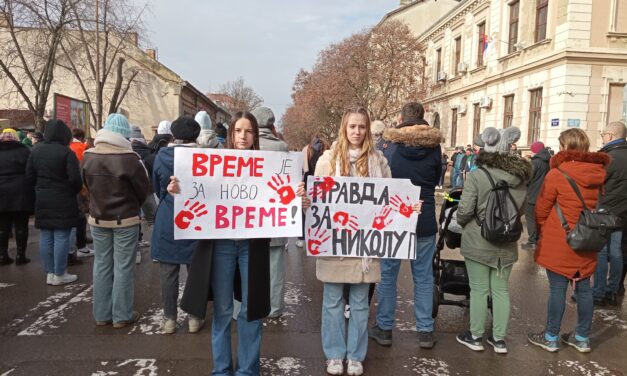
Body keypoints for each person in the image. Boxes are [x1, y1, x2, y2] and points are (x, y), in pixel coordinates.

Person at [308, 105, 417, 376]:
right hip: (335, 242)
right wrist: (306, 198)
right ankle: (334, 354)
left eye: (362, 126)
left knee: (359, 302)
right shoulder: (327, 160)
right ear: (344, 128)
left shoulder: (379, 162)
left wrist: (409, 208)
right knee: (332, 300)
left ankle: (355, 355)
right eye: (352, 126)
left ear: (368, 130)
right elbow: (317, 202)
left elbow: (390, 200)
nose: (357, 131)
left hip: (365, 245)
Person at [175, 112, 272, 376]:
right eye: (238, 131)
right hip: (222, 245)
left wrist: (297, 195)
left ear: (255, 135)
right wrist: (178, 188)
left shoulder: (268, 165)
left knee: (250, 311)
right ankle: (221, 370)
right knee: (222, 309)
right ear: (231, 134)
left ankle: (247, 370)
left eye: (248, 131)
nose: (243, 136)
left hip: (252, 245)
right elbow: (197, 190)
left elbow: (280, 201)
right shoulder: (215, 163)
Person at [528, 128, 609, 353]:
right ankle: (582, 337)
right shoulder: (598, 173)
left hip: (560, 239)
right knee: (584, 289)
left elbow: (542, 207)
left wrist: (544, 230)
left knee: (557, 289)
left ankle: (551, 337)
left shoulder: (557, 173)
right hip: (588, 238)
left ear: (566, 147)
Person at [370, 102, 442, 350]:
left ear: (401, 118)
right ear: (423, 119)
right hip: (424, 219)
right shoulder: (435, 147)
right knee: (423, 277)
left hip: (395, 220)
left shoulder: (389, 147)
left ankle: (385, 328)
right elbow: (435, 180)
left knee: (388, 275)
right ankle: (425, 331)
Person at [455, 127, 531, 354]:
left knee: (478, 290)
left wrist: (462, 221)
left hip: (478, 240)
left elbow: (464, 210)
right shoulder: (520, 179)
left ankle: (476, 336)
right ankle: (499, 340)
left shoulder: (478, 175)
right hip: (506, 243)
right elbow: (522, 211)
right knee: (501, 290)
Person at [82, 114, 150, 328]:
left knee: (101, 265)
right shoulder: (130, 159)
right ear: (124, 134)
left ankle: (101, 314)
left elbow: (84, 187)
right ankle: (122, 315)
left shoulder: (88, 156)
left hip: (97, 218)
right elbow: (143, 190)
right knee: (123, 267)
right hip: (126, 219)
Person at [151, 116, 205, 334]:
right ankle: (194, 317)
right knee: (196, 272)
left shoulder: (161, 156)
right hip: (198, 218)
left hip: (169, 216)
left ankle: (169, 319)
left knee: (168, 271)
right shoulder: (205, 157)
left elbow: (157, 188)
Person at [26, 120, 83, 285]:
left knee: (46, 236)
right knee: (61, 236)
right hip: (63, 198)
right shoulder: (66, 152)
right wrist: (71, 191)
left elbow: (29, 176)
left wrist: (40, 189)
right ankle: (60, 273)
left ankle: (50, 273)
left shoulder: (35, 151)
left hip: (42, 197)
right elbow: (75, 179)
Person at [252, 106, 290, 318]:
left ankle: (244, 305)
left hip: (249, 215)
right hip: (275, 214)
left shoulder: (248, 146)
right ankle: (274, 308)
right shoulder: (283, 148)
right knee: (275, 264)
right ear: (272, 124)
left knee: (249, 263)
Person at [593, 121, 627, 306]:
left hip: (604, 211)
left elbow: (595, 182)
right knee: (616, 252)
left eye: (603, 134)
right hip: (622, 213)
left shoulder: (607, 158)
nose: (603, 138)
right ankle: (613, 290)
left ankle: (598, 292)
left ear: (611, 136)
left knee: (601, 252)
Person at [0, 129, 35, 265]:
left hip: (1, 192)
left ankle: (3, 255)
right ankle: (21, 256)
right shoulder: (25, 151)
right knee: (21, 225)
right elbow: (31, 171)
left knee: (2, 227)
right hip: (21, 191)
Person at [297, 135, 326, 249]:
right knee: (319, 211)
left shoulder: (307, 149)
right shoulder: (326, 150)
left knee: (304, 209)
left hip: (308, 182)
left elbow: (304, 168)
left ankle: (302, 238)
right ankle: (318, 235)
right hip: (321, 183)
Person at [68, 127, 93, 261]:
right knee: (81, 215)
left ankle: (80, 241)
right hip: (81, 185)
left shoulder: (67, 147)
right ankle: (81, 244)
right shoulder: (82, 148)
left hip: (66, 188)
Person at [522, 141, 551, 251]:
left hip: (533, 195)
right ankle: (539, 240)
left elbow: (528, 178)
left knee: (530, 218)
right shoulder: (548, 160)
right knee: (540, 218)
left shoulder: (535, 163)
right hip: (544, 194)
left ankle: (532, 241)